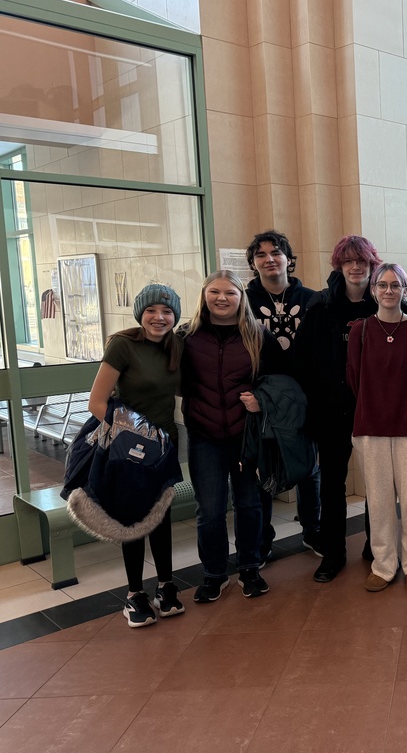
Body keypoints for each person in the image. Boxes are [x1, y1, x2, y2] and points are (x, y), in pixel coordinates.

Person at [292, 235, 407, 583]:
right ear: (339, 265)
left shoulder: (394, 305)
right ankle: (333, 554)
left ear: (372, 264)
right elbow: (302, 363)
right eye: (349, 261)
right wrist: (314, 409)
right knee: (332, 487)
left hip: (377, 415)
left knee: (380, 486)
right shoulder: (321, 308)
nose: (356, 266)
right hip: (332, 415)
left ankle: (378, 548)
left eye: (362, 260)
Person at [181, 270, 283, 602]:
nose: (222, 298)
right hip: (204, 437)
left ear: (241, 298)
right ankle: (214, 574)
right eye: (215, 292)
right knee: (209, 509)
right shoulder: (187, 336)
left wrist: (262, 401)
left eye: (230, 293)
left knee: (249, 504)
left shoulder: (258, 336)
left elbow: (281, 382)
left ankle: (250, 568)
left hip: (247, 436)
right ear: (204, 296)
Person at [87, 284, 184, 627]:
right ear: (140, 314)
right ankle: (134, 595)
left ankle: (166, 586)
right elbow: (97, 403)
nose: (159, 317)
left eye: (167, 312)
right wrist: (133, 437)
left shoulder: (176, 346)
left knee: (160, 518)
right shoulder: (123, 345)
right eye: (152, 311)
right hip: (130, 449)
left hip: (165, 446)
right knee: (134, 520)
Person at [347, 263, 407, 593]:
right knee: (380, 501)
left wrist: (406, 405)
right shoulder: (361, 331)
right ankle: (383, 566)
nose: (388, 291)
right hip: (370, 428)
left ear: (405, 290)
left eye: (395, 285)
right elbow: (354, 378)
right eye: (382, 285)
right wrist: (375, 406)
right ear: (373, 290)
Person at [244, 229, 321, 563]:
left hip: (305, 398)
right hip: (262, 400)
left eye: (276, 252)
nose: (269, 259)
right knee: (264, 468)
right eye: (260, 255)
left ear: (289, 259)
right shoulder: (242, 302)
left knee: (309, 468)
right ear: (253, 263)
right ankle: (262, 540)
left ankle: (313, 530)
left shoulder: (314, 300)